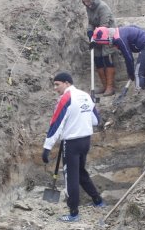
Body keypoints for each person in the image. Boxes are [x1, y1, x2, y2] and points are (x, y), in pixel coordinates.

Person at [41, 72, 104, 222]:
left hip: (71, 144)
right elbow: (96, 120)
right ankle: (98, 200)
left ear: (67, 83)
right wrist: (79, 120)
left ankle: (73, 213)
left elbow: (56, 124)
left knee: (71, 177)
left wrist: (47, 148)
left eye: (57, 84)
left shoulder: (66, 98)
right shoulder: (86, 96)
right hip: (85, 141)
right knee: (80, 172)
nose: (55, 88)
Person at [91, 25, 145, 92]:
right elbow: (133, 26)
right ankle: (143, 91)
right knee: (141, 70)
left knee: (138, 72)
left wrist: (130, 73)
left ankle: (139, 92)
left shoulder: (119, 39)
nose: (107, 44)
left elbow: (128, 57)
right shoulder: (117, 32)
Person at [80, 0, 117, 96]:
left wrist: (96, 38)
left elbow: (104, 25)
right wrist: (90, 31)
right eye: (84, 2)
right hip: (98, 34)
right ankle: (104, 86)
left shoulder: (103, 7)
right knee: (97, 58)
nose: (86, 4)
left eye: (88, 1)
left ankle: (110, 87)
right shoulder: (89, 8)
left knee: (106, 57)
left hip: (108, 34)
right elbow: (91, 22)